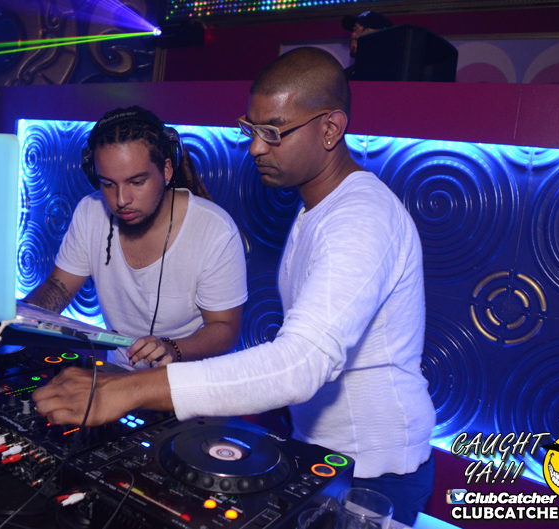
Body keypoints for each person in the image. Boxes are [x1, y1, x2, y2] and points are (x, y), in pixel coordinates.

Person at [33, 49, 436, 525]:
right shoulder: (321, 208)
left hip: (376, 474)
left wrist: (128, 390)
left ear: (330, 129)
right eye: (251, 130)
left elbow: (301, 364)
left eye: (274, 133)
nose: (255, 149)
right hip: (325, 455)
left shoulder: (361, 219)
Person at [24, 106, 247, 369]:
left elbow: (225, 328)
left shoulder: (214, 230)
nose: (121, 200)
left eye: (137, 182)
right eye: (108, 184)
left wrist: (173, 348)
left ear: (166, 170)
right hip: (118, 376)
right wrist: (22, 315)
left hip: (189, 382)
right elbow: (58, 288)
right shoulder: (89, 211)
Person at [341, 10, 393, 80]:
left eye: (364, 29)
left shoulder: (395, 73)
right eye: (354, 29)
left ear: (382, 35)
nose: (354, 35)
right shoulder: (344, 77)